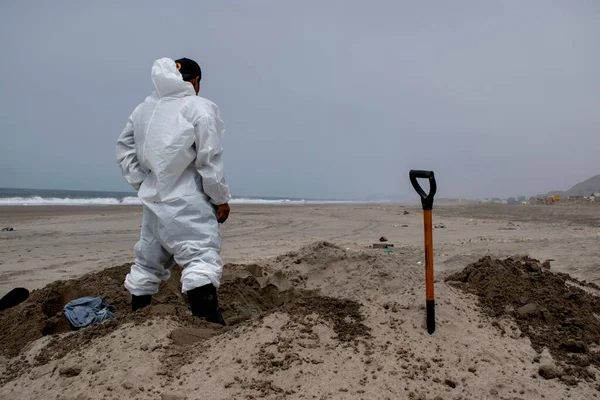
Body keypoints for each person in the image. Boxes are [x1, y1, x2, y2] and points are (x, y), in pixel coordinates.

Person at [116, 57, 231, 325]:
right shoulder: (199, 108)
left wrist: (144, 183)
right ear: (196, 81)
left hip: (153, 201)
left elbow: (124, 150)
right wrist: (220, 199)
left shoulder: (143, 110)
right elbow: (209, 161)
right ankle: (209, 326)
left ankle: (137, 324)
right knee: (200, 258)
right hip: (187, 201)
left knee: (147, 262)